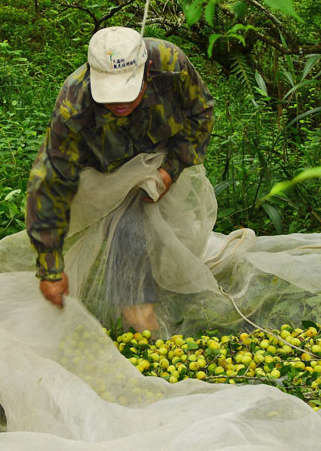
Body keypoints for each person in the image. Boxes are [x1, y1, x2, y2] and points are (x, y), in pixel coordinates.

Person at [25, 26, 214, 330]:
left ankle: (144, 310)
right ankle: (139, 320)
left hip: (158, 156)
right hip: (103, 172)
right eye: (110, 94)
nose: (120, 103)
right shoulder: (76, 99)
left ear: (145, 70)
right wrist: (50, 269)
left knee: (144, 229)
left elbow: (200, 114)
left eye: (128, 90)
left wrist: (170, 169)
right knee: (123, 228)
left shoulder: (169, 63)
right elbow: (50, 182)